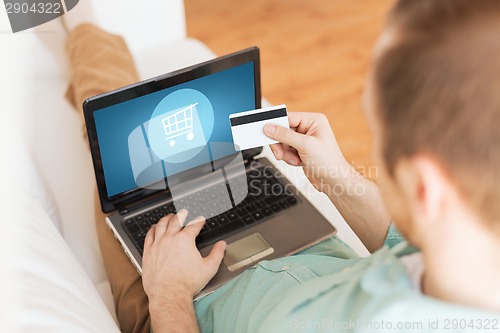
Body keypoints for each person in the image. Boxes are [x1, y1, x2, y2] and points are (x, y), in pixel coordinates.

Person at [64, 0, 500, 332]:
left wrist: (168, 293)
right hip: (299, 249)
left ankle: (83, 25)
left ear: (425, 189)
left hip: (186, 305)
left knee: (111, 154)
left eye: (376, 134)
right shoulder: (467, 258)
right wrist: (338, 179)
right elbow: (402, 240)